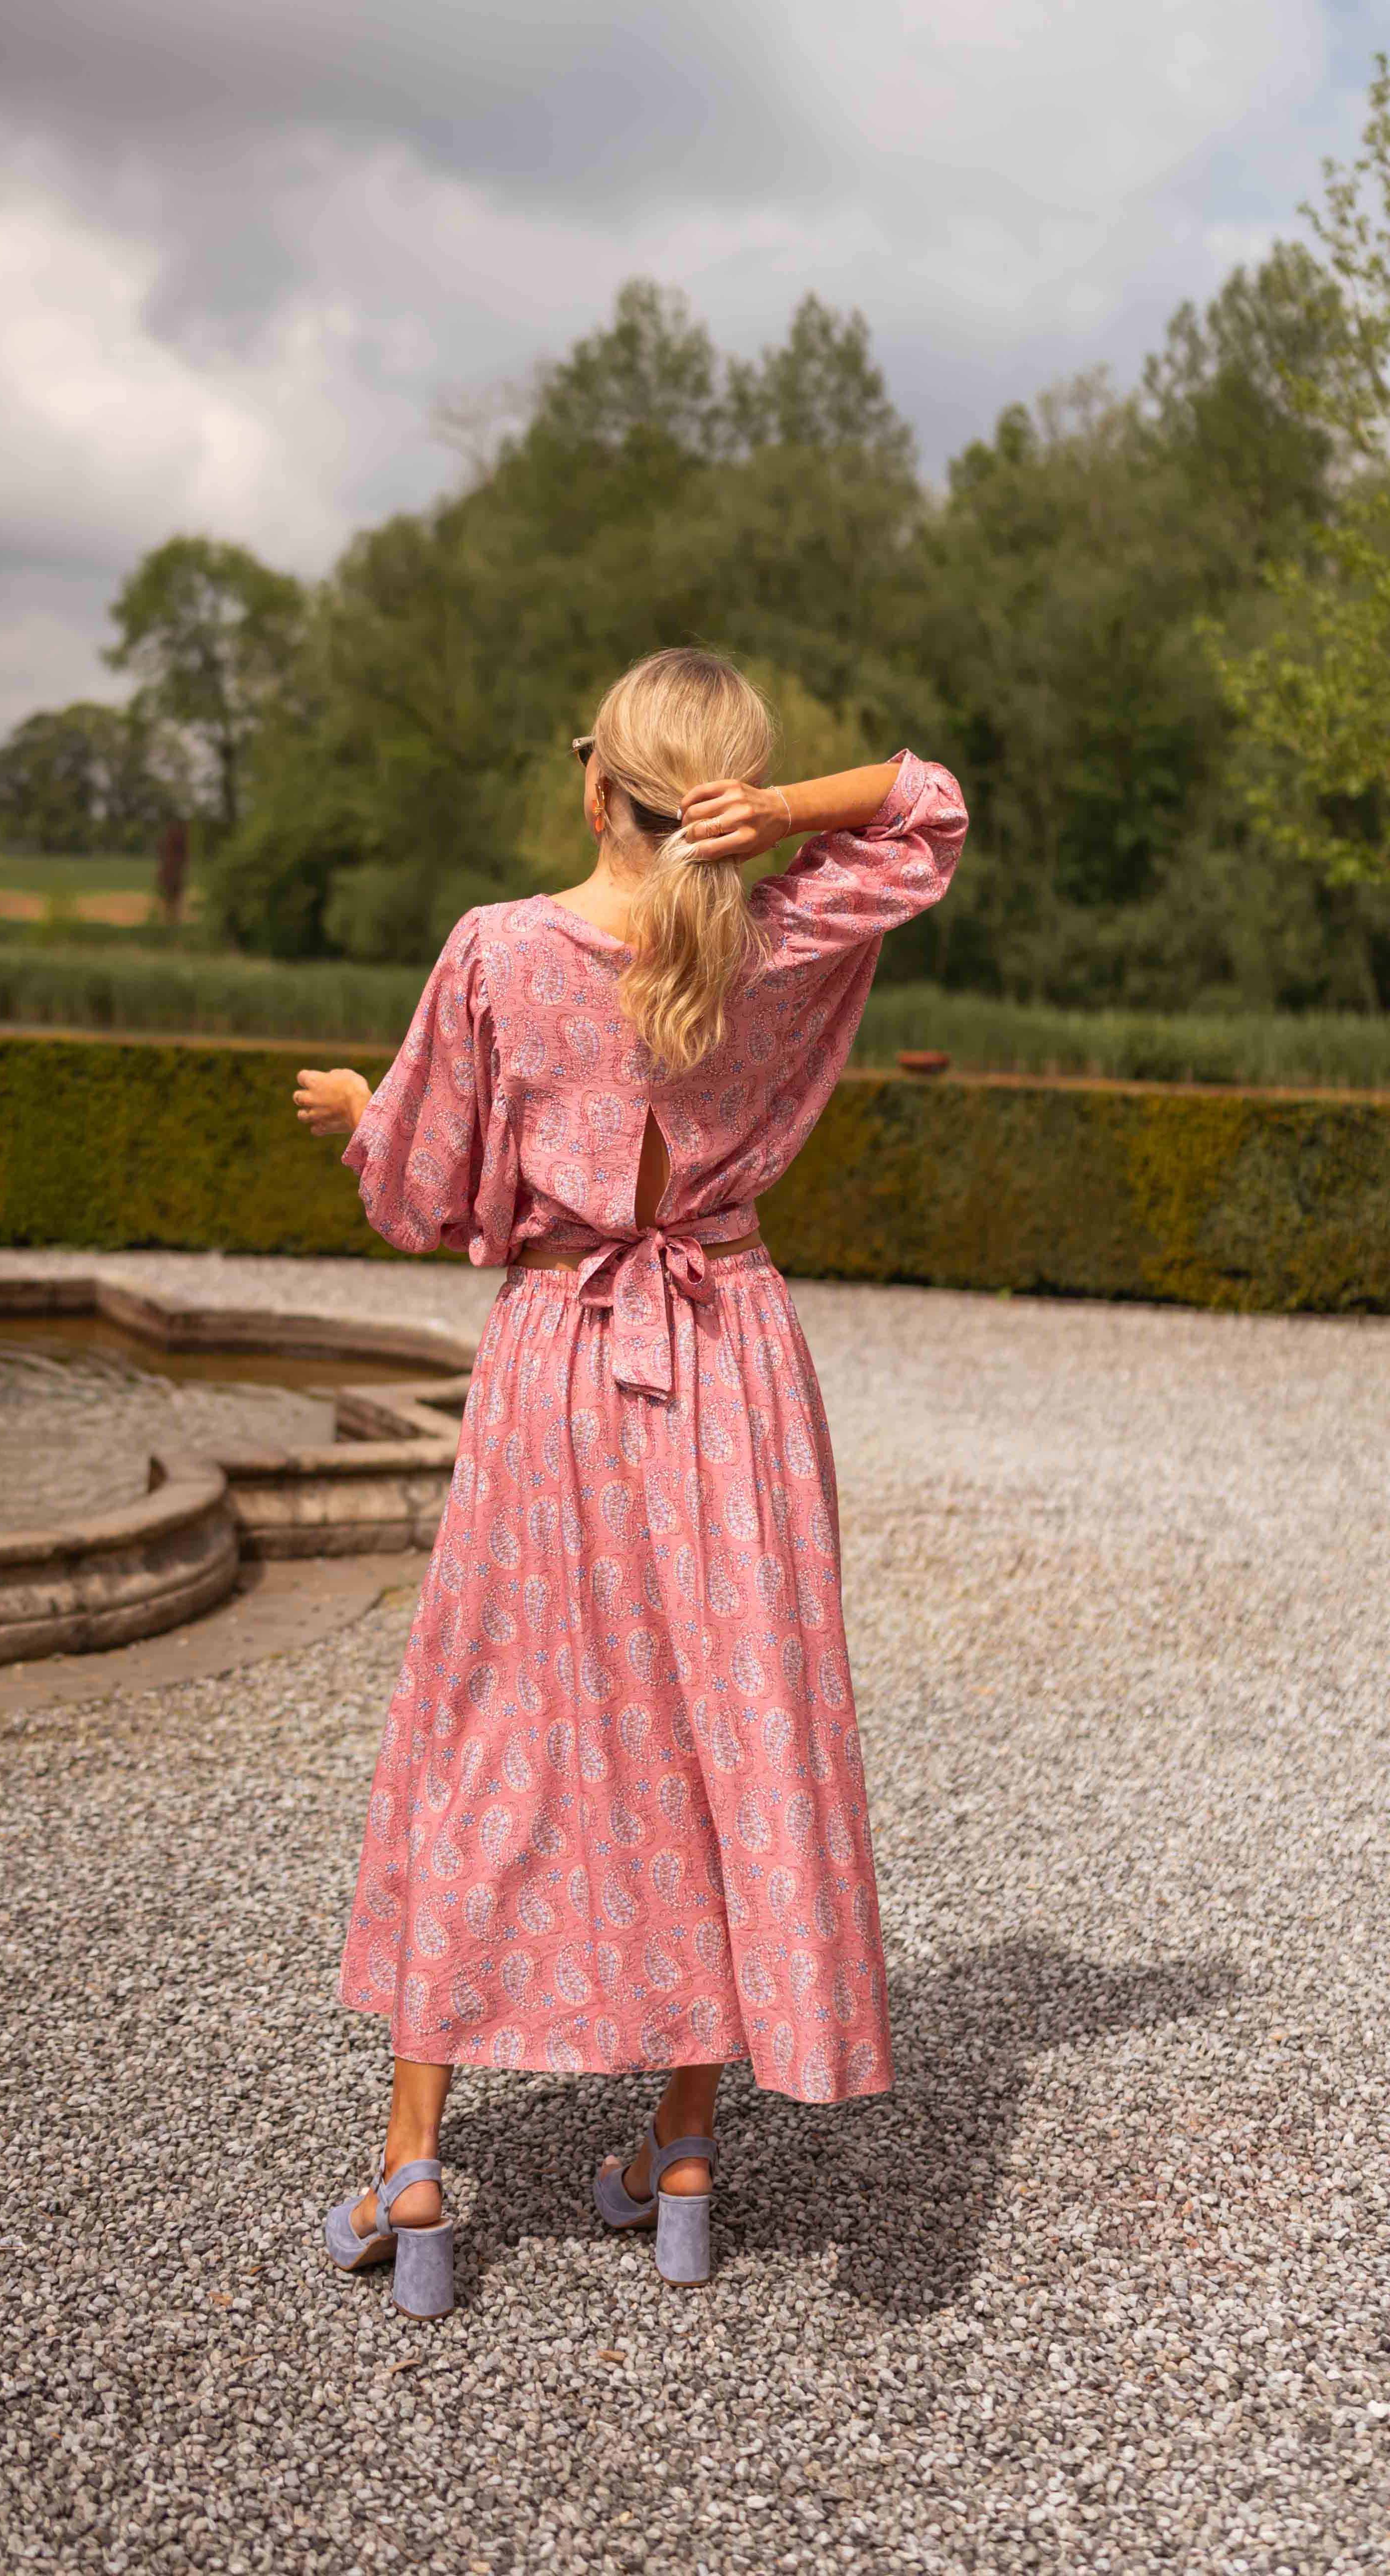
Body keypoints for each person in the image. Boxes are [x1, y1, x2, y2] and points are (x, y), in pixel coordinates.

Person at [295, 647, 966, 2316]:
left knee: (497, 1729)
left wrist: (364, 1110)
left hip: (561, 1372)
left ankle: (418, 2172)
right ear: (719, 800)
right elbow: (927, 808)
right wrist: (785, 817)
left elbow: (421, 1190)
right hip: (730, 1360)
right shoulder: (785, 936)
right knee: (717, 1730)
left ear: (595, 787)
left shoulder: (502, 954)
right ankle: (678, 2162)